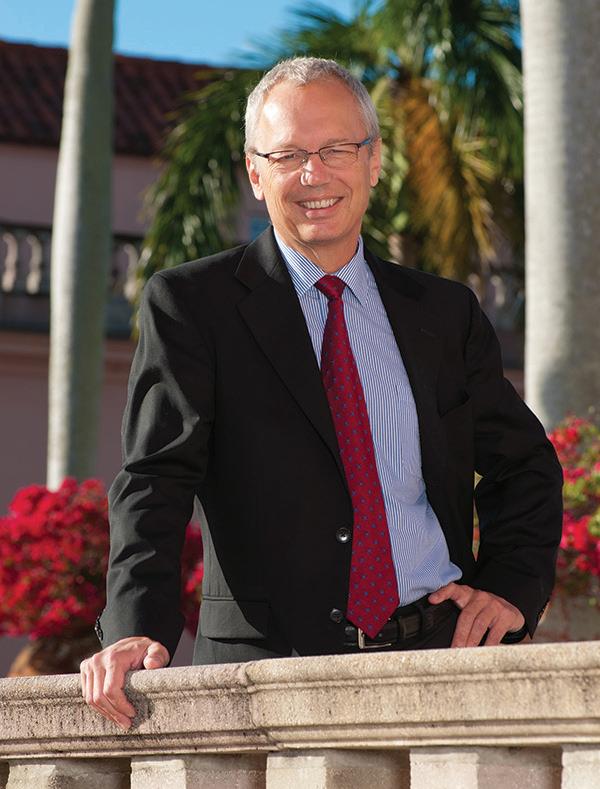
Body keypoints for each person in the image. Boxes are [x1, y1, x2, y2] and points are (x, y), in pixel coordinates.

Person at [80, 57, 563, 730]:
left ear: (374, 161)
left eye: (337, 149)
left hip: (440, 662)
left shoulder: (444, 312)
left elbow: (525, 464)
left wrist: (509, 585)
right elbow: (155, 478)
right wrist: (136, 623)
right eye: (288, 155)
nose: (314, 174)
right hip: (267, 683)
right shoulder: (193, 305)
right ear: (255, 173)